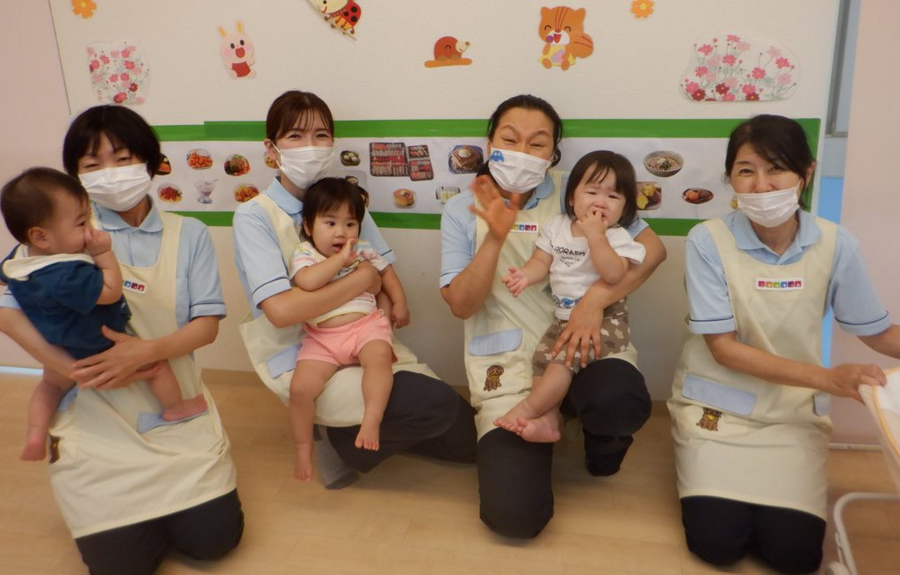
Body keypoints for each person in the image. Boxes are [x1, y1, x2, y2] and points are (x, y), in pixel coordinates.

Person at [0, 106, 242, 575]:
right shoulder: (52, 242)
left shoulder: (187, 234)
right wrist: (71, 369)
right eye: (91, 165)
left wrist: (145, 352)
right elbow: (6, 314)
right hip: (95, 415)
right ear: (74, 176)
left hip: (171, 408)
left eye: (122, 157)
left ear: (150, 161)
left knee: (214, 543)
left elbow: (206, 325)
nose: (109, 174)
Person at [668, 114, 900, 574]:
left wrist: (827, 382)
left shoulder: (836, 245)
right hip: (718, 410)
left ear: (805, 173)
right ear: (730, 177)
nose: (760, 185)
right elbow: (724, 349)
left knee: (792, 556)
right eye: (746, 170)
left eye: (776, 169)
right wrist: (829, 379)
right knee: (718, 545)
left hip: (791, 415)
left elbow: (875, 331)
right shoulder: (707, 241)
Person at [440, 94, 666, 538]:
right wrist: (493, 239)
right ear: (489, 144)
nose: (523, 152)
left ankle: (602, 443)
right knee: (515, 517)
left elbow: (653, 252)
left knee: (618, 399)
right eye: (510, 138)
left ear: (554, 154)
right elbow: (461, 304)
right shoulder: (460, 209)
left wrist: (592, 303)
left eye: (538, 143)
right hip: (506, 363)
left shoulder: (579, 189)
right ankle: (542, 418)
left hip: (584, 343)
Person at [232, 89, 476, 489]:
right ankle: (343, 441)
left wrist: (382, 300)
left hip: (364, 337)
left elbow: (383, 272)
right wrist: (361, 281)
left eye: (321, 136)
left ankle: (351, 429)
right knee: (436, 405)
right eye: (295, 136)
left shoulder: (344, 201)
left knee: (469, 443)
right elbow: (281, 311)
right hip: (305, 350)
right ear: (271, 148)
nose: (310, 147)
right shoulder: (255, 216)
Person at [0, 167, 208, 462]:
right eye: (82, 222)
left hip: (57, 343)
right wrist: (102, 254)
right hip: (98, 342)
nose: (90, 229)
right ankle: (175, 408)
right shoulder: (66, 273)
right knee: (157, 367)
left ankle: (35, 431)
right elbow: (110, 290)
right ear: (41, 237)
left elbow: (4, 278)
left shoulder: (20, 258)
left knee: (50, 384)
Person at [494, 151, 646, 443]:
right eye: (591, 191)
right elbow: (542, 261)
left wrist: (596, 236)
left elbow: (614, 274)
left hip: (606, 320)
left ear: (625, 207)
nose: (601, 201)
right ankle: (550, 421)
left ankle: (527, 409)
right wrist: (525, 275)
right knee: (541, 361)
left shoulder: (617, 237)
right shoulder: (557, 226)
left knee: (561, 364)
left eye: (613, 197)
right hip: (563, 320)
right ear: (572, 197)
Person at [288, 177, 407, 480]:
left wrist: (400, 302)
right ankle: (303, 446)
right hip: (322, 338)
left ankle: (372, 418)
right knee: (300, 390)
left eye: (350, 224)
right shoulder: (306, 254)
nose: (341, 232)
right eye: (330, 223)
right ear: (308, 225)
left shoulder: (364, 249)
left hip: (365, 326)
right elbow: (308, 282)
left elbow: (387, 274)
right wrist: (341, 259)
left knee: (379, 359)